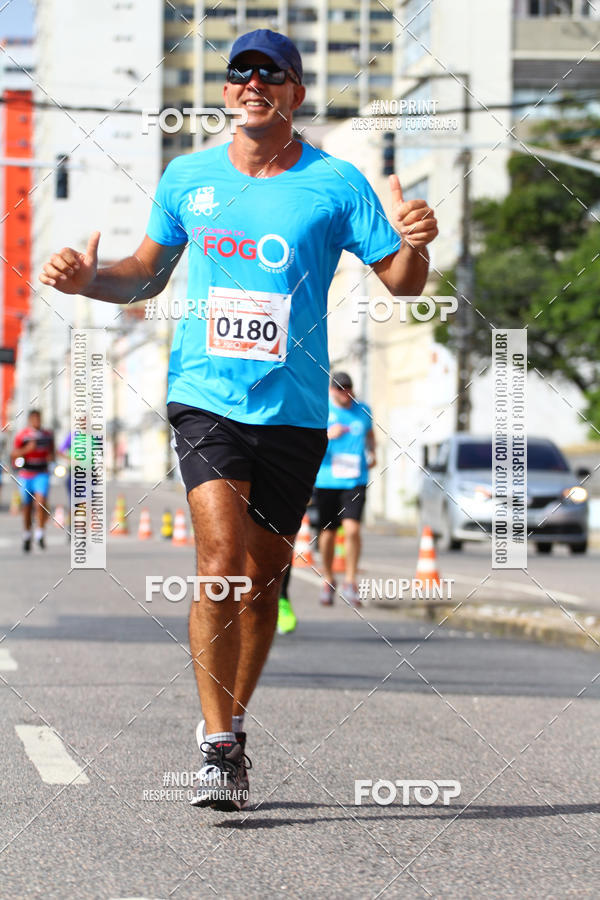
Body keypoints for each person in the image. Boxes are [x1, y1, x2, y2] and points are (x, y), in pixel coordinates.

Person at [38, 29, 437, 811]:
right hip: (206, 397)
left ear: (293, 93)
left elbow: (401, 283)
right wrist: (89, 281)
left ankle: (236, 723)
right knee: (219, 562)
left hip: (293, 410)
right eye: (239, 73)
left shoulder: (336, 183)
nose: (253, 83)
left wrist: (417, 240)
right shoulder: (187, 175)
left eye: (272, 74)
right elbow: (144, 276)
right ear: (225, 92)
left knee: (261, 582)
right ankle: (217, 744)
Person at [314, 372, 375, 608]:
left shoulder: (363, 410)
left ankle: (350, 581)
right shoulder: (323, 410)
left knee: (352, 529)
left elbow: (370, 435)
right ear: (331, 390)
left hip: (355, 480)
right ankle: (328, 579)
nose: (344, 392)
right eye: (339, 388)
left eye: (347, 388)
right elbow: (311, 439)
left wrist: (373, 453)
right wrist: (328, 435)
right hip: (327, 480)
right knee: (328, 533)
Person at [11, 409, 55, 552]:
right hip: (26, 473)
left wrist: (51, 459)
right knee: (27, 506)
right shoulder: (22, 436)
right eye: (34, 419)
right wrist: (27, 450)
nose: (37, 422)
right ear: (30, 420)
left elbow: (52, 452)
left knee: (41, 503)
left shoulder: (47, 435)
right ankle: (26, 534)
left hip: (41, 473)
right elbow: (13, 454)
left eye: (39, 419)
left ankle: (40, 533)